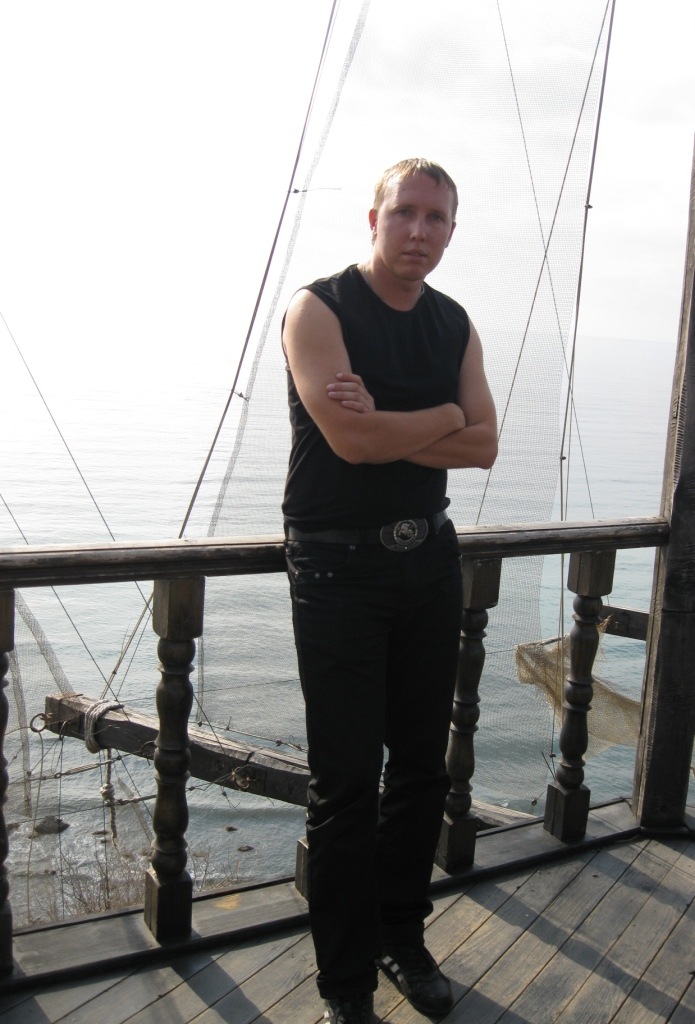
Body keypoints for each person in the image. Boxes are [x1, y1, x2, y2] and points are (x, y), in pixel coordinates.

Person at [282, 158, 498, 1024]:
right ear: (373, 218)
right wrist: (443, 417)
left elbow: (484, 446)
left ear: (450, 230)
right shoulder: (319, 310)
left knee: (418, 768)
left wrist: (397, 422)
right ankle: (345, 987)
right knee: (344, 785)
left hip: (428, 562)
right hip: (337, 569)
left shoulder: (453, 324)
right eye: (404, 212)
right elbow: (352, 445)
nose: (418, 230)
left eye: (435, 217)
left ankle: (401, 939)